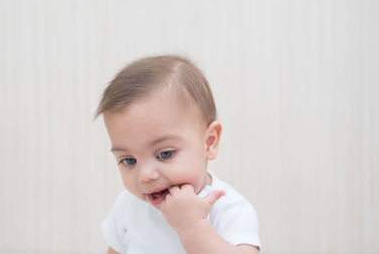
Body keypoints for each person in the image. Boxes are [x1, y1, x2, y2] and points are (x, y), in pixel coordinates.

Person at [95, 55, 261, 254]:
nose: (145, 175)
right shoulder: (129, 205)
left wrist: (192, 226)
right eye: (129, 160)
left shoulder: (228, 209)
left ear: (209, 142)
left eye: (165, 154)